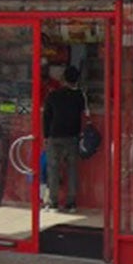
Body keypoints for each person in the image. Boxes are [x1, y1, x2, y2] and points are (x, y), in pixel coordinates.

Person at [43, 63, 86, 214]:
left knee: (53, 169)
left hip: (55, 135)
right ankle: (71, 203)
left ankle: (53, 202)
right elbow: (83, 113)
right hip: (72, 136)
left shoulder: (53, 95)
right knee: (72, 169)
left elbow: (46, 117)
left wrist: (45, 136)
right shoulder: (79, 96)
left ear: (63, 78)